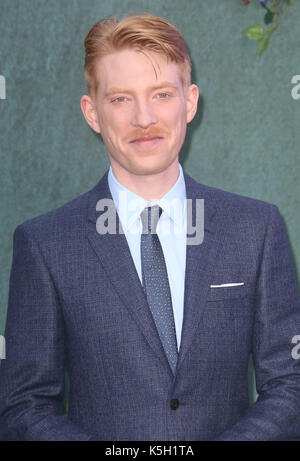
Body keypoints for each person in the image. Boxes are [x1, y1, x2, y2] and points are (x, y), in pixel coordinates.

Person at [0, 12, 300, 442]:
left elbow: (290, 384)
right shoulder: (45, 244)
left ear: (190, 101)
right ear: (92, 112)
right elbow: (22, 406)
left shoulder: (256, 230)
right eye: (121, 99)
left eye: (161, 94)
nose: (144, 118)